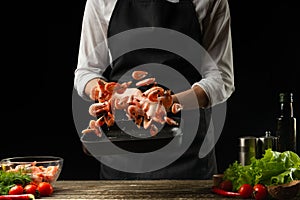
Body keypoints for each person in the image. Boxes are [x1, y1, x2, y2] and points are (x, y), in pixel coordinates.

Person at [74, 0, 235, 180]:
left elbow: (221, 78)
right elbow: (87, 72)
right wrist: (114, 93)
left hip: (189, 147)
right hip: (122, 146)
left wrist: (169, 102)